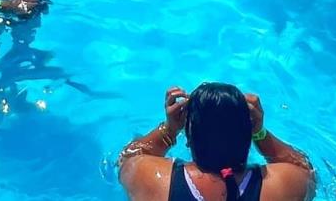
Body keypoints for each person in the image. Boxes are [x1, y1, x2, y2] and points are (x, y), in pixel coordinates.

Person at [118, 83, 315, 201]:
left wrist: (169, 129)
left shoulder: (153, 179)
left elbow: (128, 157)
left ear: (188, 138)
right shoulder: (281, 186)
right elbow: (305, 169)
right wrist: (260, 133)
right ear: (246, 135)